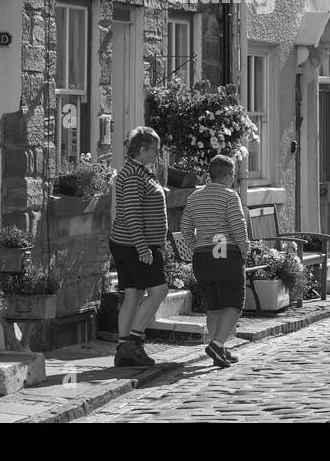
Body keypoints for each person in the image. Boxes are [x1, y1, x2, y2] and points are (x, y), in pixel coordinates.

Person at [179, 154, 251, 368]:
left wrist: (195, 246)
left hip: (203, 257)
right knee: (235, 304)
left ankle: (218, 347)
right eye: (234, 175)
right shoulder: (230, 196)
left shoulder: (194, 197)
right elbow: (238, 227)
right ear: (228, 176)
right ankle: (218, 344)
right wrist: (245, 251)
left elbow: (184, 227)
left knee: (214, 306)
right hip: (226, 255)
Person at [108, 126, 170, 368]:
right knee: (159, 291)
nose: (157, 153)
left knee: (132, 294)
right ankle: (133, 342)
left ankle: (123, 350)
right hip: (135, 245)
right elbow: (132, 215)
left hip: (126, 243)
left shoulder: (139, 171)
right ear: (142, 150)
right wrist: (143, 247)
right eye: (155, 149)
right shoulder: (134, 176)